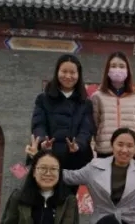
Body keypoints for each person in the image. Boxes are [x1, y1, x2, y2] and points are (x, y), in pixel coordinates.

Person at [28, 54, 95, 187]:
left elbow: (86, 129)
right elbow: (38, 124)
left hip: (74, 160)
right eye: (64, 71)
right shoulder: (43, 99)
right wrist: (42, 141)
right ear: (57, 72)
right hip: (47, 157)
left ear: (78, 75)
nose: (68, 76)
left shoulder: (85, 103)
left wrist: (78, 145)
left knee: (68, 196)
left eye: (72, 72)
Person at [91, 51, 135, 158]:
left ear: (127, 70)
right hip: (105, 151)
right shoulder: (97, 96)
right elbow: (95, 124)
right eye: (113, 66)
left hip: (129, 152)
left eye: (121, 66)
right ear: (107, 70)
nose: (117, 69)